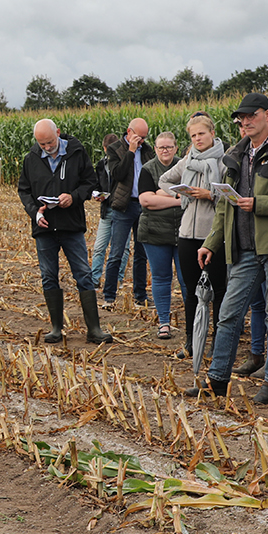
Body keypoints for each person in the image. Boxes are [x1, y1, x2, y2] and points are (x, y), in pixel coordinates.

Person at [187, 93, 268, 405]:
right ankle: (217, 379)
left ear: (267, 115)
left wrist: (260, 205)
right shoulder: (235, 155)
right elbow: (224, 207)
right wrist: (212, 243)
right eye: (241, 118)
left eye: (251, 116)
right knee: (229, 314)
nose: (245, 122)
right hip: (243, 250)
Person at [19, 119, 112, 346]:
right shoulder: (31, 159)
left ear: (58, 133)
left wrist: (73, 197)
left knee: (83, 273)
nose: (47, 147)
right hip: (45, 228)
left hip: (71, 225)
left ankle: (94, 329)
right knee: (49, 275)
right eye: (42, 144)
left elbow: (90, 182)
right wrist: (36, 213)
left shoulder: (77, 153)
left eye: (50, 142)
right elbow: (24, 190)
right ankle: (56, 328)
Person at [159, 114, 228, 360]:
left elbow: (233, 197)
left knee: (219, 291)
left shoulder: (225, 162)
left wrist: (210, 195)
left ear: (212, 133)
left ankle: (216, 345)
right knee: (190, 291)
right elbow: (164, 180)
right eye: (193, 135)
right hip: (187, 235)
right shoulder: (187, 161)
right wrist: (183, 194)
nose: (197, 139)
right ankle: (191, 342)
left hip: (213, 237)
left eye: (201, 133)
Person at [136, 132, 185, 340]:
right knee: (161, 277)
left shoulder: (185, 166)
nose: (165, 151)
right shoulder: (148, 170)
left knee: (186, 279)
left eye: (169, 147)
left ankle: (192, 322)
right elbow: (146, 201)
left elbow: (193, 193)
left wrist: (160, 194)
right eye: (160, 147)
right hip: (154, 232)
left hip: (184, 231)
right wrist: (177, 198)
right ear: (154, 149)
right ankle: (163, 322)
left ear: (176, 147)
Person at [100, 119, 153, 308]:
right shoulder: (115, 149)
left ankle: (140, 296)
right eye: (139, 137)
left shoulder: (147, 150)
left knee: (141, 253)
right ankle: (109, 296)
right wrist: (130, 152)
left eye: (144, 138)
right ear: (129, 132)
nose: (142, 141)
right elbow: (118, 174)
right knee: (116, 252)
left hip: (144, 206)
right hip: (124, 206)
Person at [88, 133, 121, 296]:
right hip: (106, 209)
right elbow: (96, 184)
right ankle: (95, 279)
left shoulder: (123, 164)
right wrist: (97, 194)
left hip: (121, 211)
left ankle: (118, 280)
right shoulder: (101, 164)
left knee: (121, 248)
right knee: (99, 247)